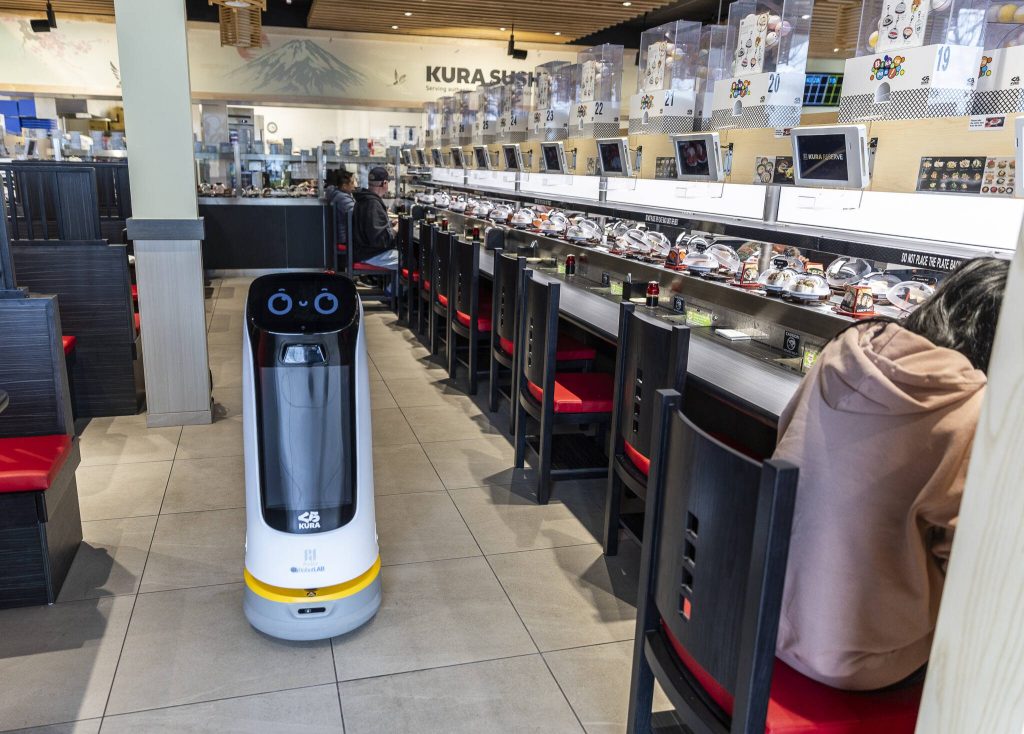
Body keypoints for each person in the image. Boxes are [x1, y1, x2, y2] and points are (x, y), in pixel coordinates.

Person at [773, 257, 1009, 691]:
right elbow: (968, 560)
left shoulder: (843, 348)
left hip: (765, 611)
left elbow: (781, 442)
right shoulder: (972, 408)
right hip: (861, 660)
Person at [352, 166, 398, 269]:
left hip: (363, 250)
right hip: (370, 254)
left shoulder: (364, 199)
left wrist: (390, 224)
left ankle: (389, 285)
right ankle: (390, 286)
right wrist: (397, 228)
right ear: (384, 183)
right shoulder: (373, 203)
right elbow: (381, 241)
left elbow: (370, 228)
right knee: (409, 261)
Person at [323, 169, 356, 248]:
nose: (354, 185)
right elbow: (356, 215)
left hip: (343, 236)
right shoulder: (343, 198)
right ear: (344, 186)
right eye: (352, 183)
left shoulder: (337, 194)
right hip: (346, 239)